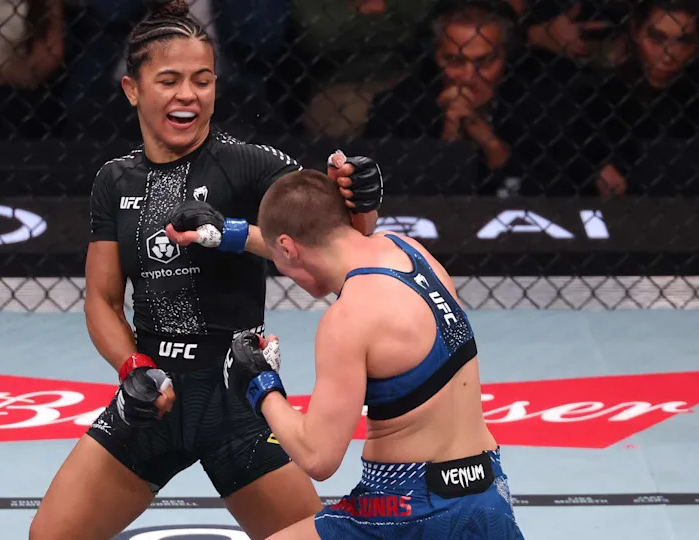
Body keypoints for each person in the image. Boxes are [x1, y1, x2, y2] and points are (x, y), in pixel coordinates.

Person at [28, 1, 384, 539]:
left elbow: (343, 244)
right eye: (168, 80)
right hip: (154, 400)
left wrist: (360, 196)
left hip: (238, 403)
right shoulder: (114, 180)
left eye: (202, 80)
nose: (188, 95)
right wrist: (133, 370)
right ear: (132, 89)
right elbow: (102, 301)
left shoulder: (247, 164)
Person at [223, 169, 523, 538]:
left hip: (405, 509)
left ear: (287, 248)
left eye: (277, 257)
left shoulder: (345, 320)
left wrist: (259, 384)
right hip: (487, 494)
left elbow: (318, 457)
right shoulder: (408, 250)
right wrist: (229, 233)